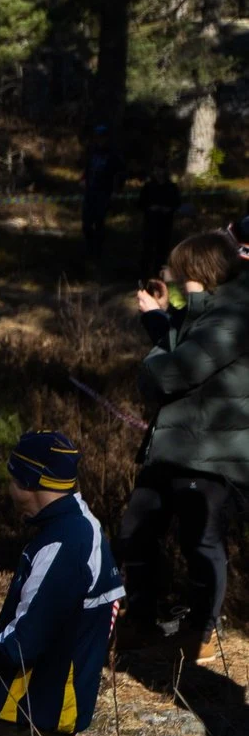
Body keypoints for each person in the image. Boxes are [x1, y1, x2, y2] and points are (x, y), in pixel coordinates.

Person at [0, 431, 123, 736]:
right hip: (49, 707)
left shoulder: (63, 545)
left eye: (14, 481)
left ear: (30, 482)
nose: (10, 492)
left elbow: (22, 644)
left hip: (33, 711)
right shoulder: (80, 523)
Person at [125, 232, 249, 661]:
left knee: (201, 542)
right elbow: (183, 348)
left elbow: (171, 373)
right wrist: (158, 317)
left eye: (177, 268)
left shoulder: (234, 316)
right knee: (137, 530)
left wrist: (151, 364)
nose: (171, 275)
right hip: (177, 445)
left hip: (211, 453)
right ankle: (139, 622)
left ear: (196, 270)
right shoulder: (203, 313)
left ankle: (202, 633)